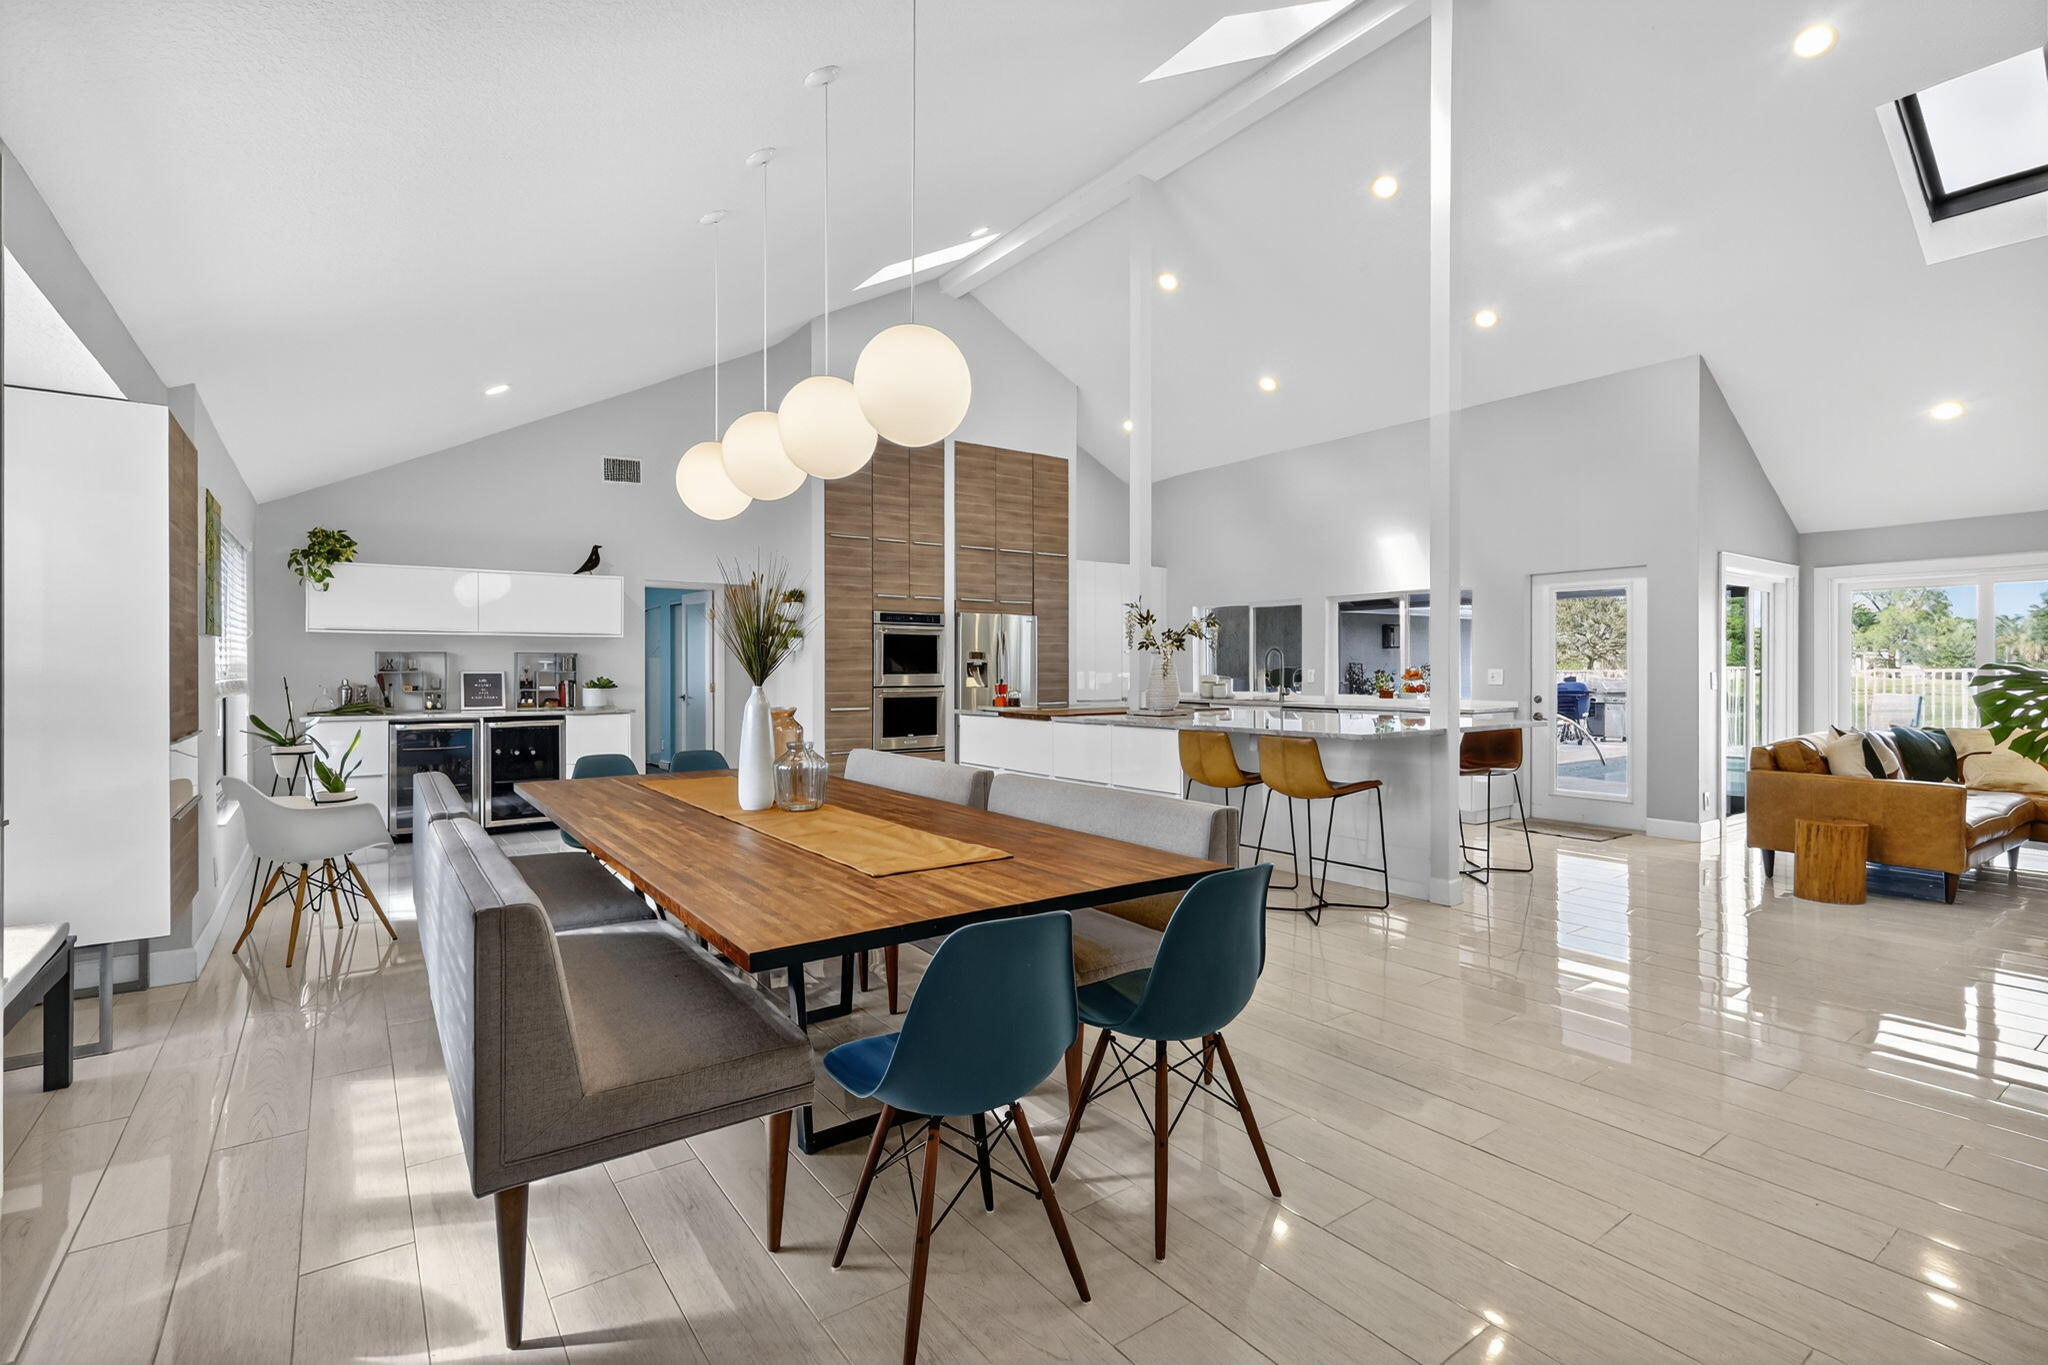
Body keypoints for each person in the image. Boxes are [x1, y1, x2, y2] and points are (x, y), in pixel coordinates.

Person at [1556, 675, 1591, 743]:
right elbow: (1586, 696)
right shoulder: (1581, 686)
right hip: (1576, 710)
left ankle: (1564, 736)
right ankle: (1579, 736)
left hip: (1560, 711)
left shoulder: (1559, 686)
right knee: (1576, 717)